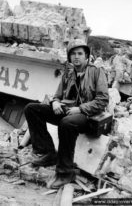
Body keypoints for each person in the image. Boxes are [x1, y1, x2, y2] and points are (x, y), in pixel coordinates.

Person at [24, 39, 109, 188]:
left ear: (86, 55)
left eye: (80, 53)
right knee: (32, 109)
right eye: (73, 54)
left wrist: (81, 109)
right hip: (68, 110)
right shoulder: (68, 73)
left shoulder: (96, 71)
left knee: (66, 123)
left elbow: (102, 100)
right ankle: (47, 153)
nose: (76, 57)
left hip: (87, 115)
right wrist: (55, 102)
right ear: (69, 57)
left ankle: (65, 172)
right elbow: (57, 95)